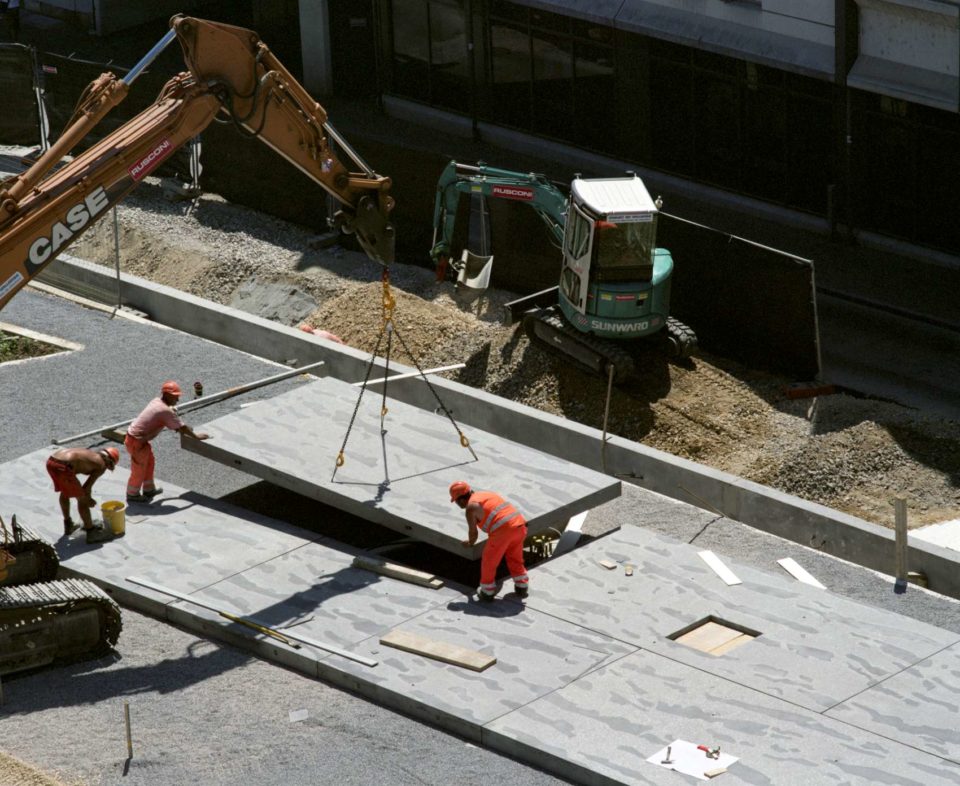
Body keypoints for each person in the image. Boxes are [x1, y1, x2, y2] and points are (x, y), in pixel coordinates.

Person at [125, 380, 210, 503]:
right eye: (176, 397)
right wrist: (196, 437)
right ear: (168, 395)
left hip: (138, 441)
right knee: (139, 470)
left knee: (149, 463)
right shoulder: (164, 411)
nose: (178, 400)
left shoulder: (157, 401)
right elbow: (182, 428)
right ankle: (132, 494)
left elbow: (172, 419)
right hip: (136, 442)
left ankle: (149, 489)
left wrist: (174, 418)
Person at [449, 480, 529, 602]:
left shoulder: (471, 507)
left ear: (460, 500)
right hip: (520, 526)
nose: (458, 505)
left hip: (503, 532)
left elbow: (473, 533)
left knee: (489, 561)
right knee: (514, 557)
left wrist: (470, 543)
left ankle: (487, 592)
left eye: (456, 502)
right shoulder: (486, 494)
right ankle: (522, 585)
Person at [46, 446, 119, 543]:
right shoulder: (102, 465)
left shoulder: (92, 454)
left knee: (65, 492)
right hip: (63, 466)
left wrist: (86, 496)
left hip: (51, 462)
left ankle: (68, 525)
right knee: (82, 500)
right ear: (110, 462)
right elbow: (86, 488)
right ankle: (91, 533)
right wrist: (88, 499)